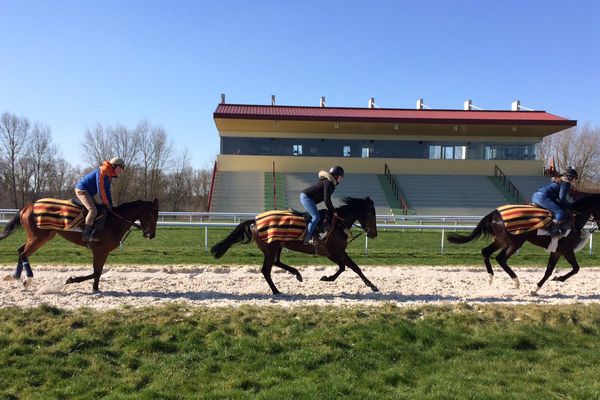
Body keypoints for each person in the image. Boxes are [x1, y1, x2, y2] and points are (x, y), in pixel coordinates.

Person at [74, 157, 125, 241]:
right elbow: (101, 190)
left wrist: (110, 204)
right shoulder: (103, 171)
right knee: (93, 211)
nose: (120, 172)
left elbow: (107, 191)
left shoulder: (109, 175)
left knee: (101, 209)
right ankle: (85, 235)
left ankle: (93, 232)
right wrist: (106, 203)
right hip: (82, 190)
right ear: (115, 166)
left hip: (88, 193)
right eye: (120, 169)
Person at [300, 166, 344, 244]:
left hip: (307, 198)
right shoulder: (328, 183)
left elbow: (326, 200)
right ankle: (307, 237)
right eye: (340, 177)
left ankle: (314, 235)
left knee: (319, 216)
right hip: (306, 197)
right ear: (336, 176)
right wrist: (333, 211)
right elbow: (326, 199)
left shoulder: (328, 183)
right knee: (316, 217)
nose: (341, 180)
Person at [531, 167, 579, 237]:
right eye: (574, 178)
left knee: (560, 208)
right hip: (543, 197)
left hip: (535, 196)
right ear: (570, 177)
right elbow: (561, 197)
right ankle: (554, 231)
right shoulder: (566, 183)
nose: (574, 180)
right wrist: (568, 205)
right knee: (560, 212)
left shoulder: (559, 180)